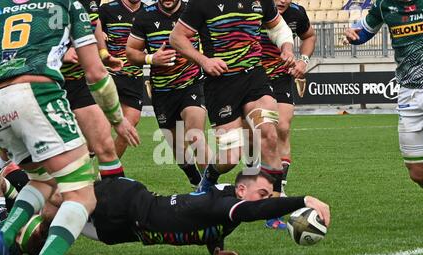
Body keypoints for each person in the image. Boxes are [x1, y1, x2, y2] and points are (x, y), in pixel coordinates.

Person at [0, 0, 136, 255]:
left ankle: (1, 238)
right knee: (82, 194)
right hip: (35, 93)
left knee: (43, 179)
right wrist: (118, 119)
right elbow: (95, 72)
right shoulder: (67, 4)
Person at [21, 171, 331, 255]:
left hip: (123, 229)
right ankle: (12, 189)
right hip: (126, 202)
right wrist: (305, 200)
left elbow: (218, 220)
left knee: (45, 227)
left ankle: (14, 212)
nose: (266, 200)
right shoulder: (228, 204)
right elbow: (251, 212)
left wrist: (216, 249)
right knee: (61, 198)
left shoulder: (225, 205)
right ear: (240, 189)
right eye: (262, 193)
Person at [169, 0, 296, 196]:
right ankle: (209, 179)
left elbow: (279, 29)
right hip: (221, 83)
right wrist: (204, 61)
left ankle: (273, 206)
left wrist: (286, 48)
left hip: (255, 76)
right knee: (230, 157)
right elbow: (176, 38)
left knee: (270, 136)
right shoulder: (200, 3)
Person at [344, 1, 423, 195]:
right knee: (420, 174)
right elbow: (364, 31)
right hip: (409, 92)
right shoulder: (384, 5)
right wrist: (353, 35)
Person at [126, 0, 210, 188]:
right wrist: (151, 58)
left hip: (192, 84)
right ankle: (198, 183)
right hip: (162, 92)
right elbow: (130, 52)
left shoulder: (194, 9)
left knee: (196, 136)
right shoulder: (144, 16)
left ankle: (210, 190)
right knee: (180, 152)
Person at [61, 0, 140, 179]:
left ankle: (109, 195)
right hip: (50, 83)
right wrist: (62, 53)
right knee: (53, 161)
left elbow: (94, 25)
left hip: (80, 81)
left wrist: (103, 55)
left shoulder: (90, 3)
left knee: (103, 142)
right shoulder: (47, 6)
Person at [260, 0, 316, 229]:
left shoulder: (296, 13)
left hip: (281, 78)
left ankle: (278, 190)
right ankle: (256, 189)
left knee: (281, 127)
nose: (282, 1)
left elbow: (309, 36)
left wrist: (303, 60)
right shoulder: (254, 10)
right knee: (255, 139)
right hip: (251, 79)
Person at [98, 0, 145, 158]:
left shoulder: (148, 12)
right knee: (101, 127)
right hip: (110, 75)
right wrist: (100, 36)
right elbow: (90, 31)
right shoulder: (107, 10)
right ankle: (87, 162)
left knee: (129, 128)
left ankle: (107, 174)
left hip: (134, 77)